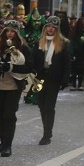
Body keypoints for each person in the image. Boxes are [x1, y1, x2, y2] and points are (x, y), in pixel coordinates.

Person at [0, 20, 30, 157]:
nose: (9, 34)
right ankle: (2, 142)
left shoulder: (23, 48)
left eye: (12, 31)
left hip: (14, 86)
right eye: (7, 31)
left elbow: (29, 67)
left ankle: (8, 145)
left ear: (17, 33)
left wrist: (12, 67)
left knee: (9, 115)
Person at [32, 15, 70, 145]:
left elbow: (66, 63)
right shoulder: (39, 41)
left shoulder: (63, 43)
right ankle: (46, 130)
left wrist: (65, 79)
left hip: (54, 78)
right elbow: (33, 60)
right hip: (40, 77)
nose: (50, 29)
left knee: (49, 106)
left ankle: (47, 134)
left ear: (57, 29)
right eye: (48, 26)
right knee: (41, 105)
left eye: (53, 27)